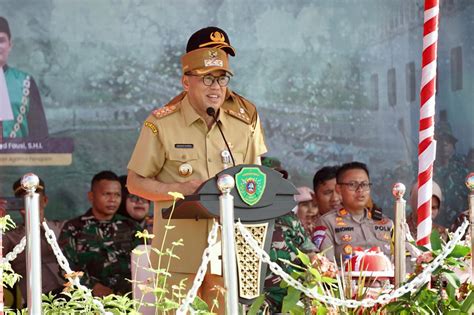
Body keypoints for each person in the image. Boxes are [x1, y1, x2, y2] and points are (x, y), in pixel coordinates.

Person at [126, 26, 267, 311]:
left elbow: (256, 178)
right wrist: (176, 189)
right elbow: (135, 182)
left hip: (229, 247)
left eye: (222, 78)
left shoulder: (245, 120)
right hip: (178, 250)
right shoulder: (161, 123)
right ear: (186, 82)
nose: (216, 87)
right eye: (206, 79)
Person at [59, 171, 141, 297]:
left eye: (117, 195)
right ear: (91, 196)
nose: (113, 200)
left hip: (126, 299)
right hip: (87, 300)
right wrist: (93, 287)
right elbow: (64, 266)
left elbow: (144, 265)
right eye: (107, 194)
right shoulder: (73, 228)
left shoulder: (131, 227)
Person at [0, 177, 64, 305]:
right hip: (34, 301)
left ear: (44, 201)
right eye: (23, 199)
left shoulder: (61, 227)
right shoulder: (10, 236)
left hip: (69, 295)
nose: (28, 202)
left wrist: (39, 221)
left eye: (34, 197)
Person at [314, 162, 393, 265]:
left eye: (364, 185)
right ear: (339, 189)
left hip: (387, 280)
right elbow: (326, 267)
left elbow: (403, 263)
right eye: (352, 184)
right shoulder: (327, 222)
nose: (360, 190)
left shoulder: (386, 223)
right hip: (347, 280)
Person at [0, 16, 48, 141]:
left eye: (1, 40)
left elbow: (40, 136)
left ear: (10, 45)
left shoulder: (25, 83)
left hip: (18, 159)